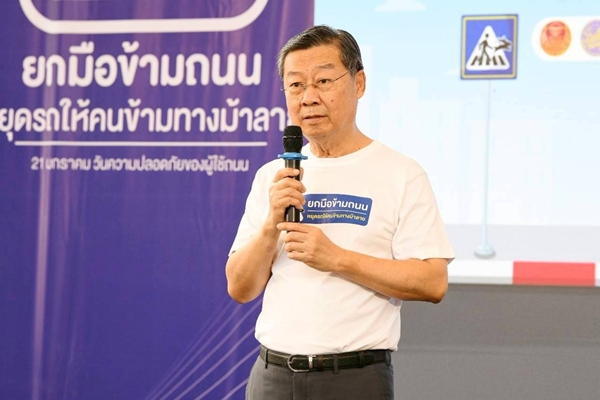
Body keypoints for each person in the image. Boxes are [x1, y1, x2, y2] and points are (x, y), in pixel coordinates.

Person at [226, 25, 454, 400]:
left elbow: (432, 282)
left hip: (353, 378)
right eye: (295, 85)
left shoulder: (401, 173)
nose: (308, 98)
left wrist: (336, 258)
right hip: (272, 376)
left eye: (323, 81)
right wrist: (270, 227)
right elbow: (240, 287)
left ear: (358, 83)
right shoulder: (274, 175)